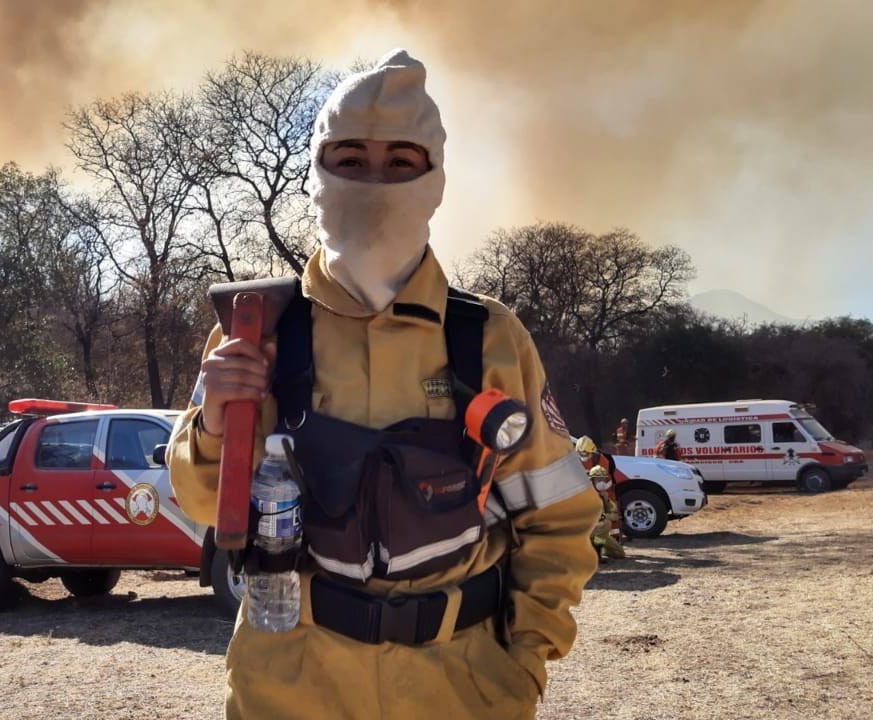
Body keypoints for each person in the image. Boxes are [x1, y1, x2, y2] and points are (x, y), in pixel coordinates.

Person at [168, 49, 601, 719]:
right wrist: (216, 421)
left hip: (462, 693)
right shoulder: (255, 330)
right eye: (350, 160)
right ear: (318, 171)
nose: (374, 180)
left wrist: (522, 668)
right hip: (287, 692)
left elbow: (559, 520)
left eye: (401, 162)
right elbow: (201, 506)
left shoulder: (490, 338)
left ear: (434, 178)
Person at [575, 436, 623, 542]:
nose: (583, 456)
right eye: (580, 453)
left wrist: (600, 491)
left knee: (610, 511)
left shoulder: (601, 460)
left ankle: (615, 538)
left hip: (605, 487)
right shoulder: (574, 460)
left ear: (592, 452)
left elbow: (603, 480)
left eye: (585, 453)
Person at [587, 465, 625, 561]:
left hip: (600, 532)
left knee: (619, 553)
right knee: (606, 524)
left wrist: (606, 500)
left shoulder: (604, 496)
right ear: (591, 481)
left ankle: (596, 549)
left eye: (603, 480)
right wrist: (605, 517)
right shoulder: (586, 496)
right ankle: (593, 553)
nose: (602, 483)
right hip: (586, 531)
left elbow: (615, 515)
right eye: (598, 480)